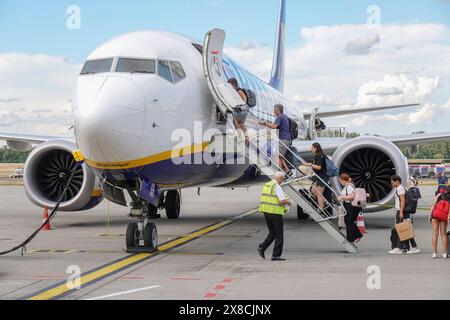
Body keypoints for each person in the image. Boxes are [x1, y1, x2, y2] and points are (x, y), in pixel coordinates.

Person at [258, 172, 292, 261]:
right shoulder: (277, 187)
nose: (282, 181)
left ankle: (262, 247)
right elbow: (282, 201)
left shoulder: (267, 185)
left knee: (272, 232)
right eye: (283, 179)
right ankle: (275, 255)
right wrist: (289, 202)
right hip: (275, 213)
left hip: (266, 212)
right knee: (279, 235)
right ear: (280, 178)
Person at [389, 175, 421, 255]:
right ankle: (413, 247)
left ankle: (399, 248)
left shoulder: (400, 188)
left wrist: (401, 212)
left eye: (392, 182)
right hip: (403, 211)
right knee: (405, 230)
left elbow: (402, 201)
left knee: (401, 230)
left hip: (402, 211)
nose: (391, 184)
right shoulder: (403, 187)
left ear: (397, 181)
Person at [259, 104, 292, 173]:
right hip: (287, 138)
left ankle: (280, 172)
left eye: (274, 109)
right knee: (280, 155)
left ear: (278, 110)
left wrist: (265, 123)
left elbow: (274, 126)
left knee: (276, 154)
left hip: (283, 138)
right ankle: (287, 170)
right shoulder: (285, 116)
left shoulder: (279, 117)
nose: (273, 111)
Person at [337, 174, 364, 244]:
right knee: (348, 221)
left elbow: (351, 196)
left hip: (351, 206)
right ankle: (354, 236)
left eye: (340, 181)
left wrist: (342, 197)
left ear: (344, 180)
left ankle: (352, 239)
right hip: (347, 205)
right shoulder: (347, 186)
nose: (340, 182)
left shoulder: (349, 186)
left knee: (349, 222)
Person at [304, 143, 328, 211]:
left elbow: (319, 167)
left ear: (315, 148)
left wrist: (309, 164)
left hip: (322, 177)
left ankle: (321, 210)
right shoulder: (321, 155)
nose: (311, 149)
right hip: (320, 177)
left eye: (312, 148)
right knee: (313, 191)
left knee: (319, 194)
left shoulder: (318, 155)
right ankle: (325, 202)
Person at [429, 187, 450, 259]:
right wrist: (448, 217)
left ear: (445, 190)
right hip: (444, 217)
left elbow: (433, 205)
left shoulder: (439, 195)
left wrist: (430, 215)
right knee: (443, 234)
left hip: (435, 215)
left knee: (435, 233)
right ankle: (444, 253)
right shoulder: (449, 198)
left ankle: (434, 253)